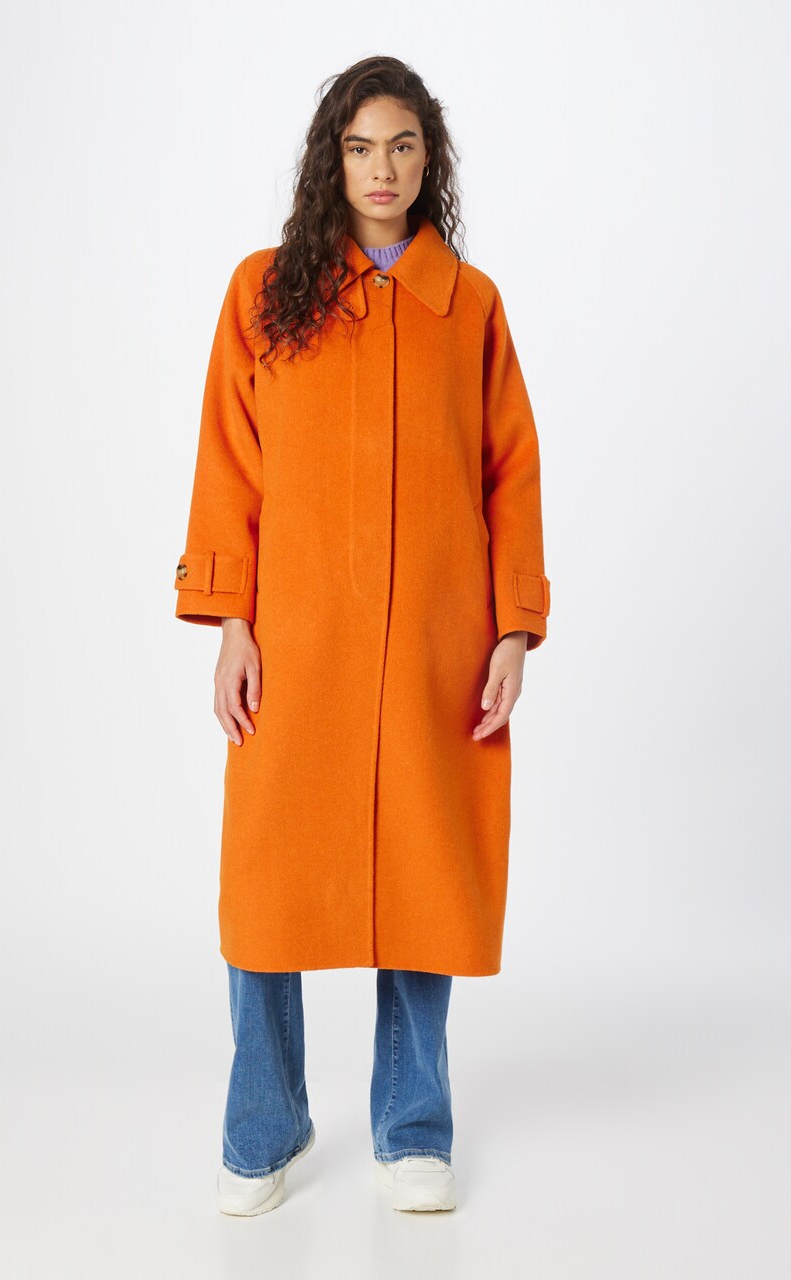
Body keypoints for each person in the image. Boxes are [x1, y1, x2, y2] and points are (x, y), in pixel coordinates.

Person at [173, 55, 551, 1217]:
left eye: (401, 145)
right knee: (267, 887)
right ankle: (263, 1124)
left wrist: (513, 628)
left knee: (427, 875)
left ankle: (412, 1125)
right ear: (328, 159)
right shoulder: (262, 292)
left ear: (429, 159)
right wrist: (231, 618)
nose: (380, 169)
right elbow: (230, 465)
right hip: (298, 646)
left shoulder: (470, 306)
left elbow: (510, 472)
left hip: (436, 647)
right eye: (358, 147)